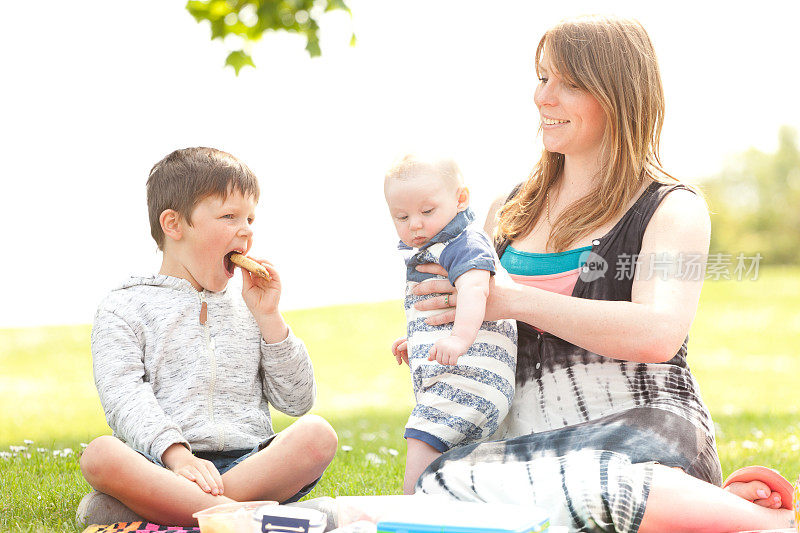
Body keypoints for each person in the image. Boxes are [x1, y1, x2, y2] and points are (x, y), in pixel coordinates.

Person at [396, 15, 795, 532]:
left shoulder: (672, 207)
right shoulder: (507, 210)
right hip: (530, 450)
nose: (543, 97)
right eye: (542, 77)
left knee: (594, 479)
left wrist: (513, 300)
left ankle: (768, 524)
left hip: (643, 432)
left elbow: (659, 333)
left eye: (568, 83)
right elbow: (475, 329)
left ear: (618, 95)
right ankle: (705, 510)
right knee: (437, 482)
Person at [77, 147, 338, 527]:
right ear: (174, 225)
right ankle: (257, 517)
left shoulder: (252, 303)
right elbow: (123, 395)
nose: (246, 229)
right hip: (161, 463)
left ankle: (175, 511)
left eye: (250, 217)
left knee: (318, 434)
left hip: (248, 462)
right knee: (100, 455)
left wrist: (270, 319)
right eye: (229, 216)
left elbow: (297, 402)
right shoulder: (124, 306)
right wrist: (177, 455)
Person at [384, 154, 518, 495]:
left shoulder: (464, 242)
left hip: (472, 379)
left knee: (423, 436)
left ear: (460, 199)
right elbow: (444, 306)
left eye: (427, 211)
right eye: (401, 216)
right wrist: (417, 340)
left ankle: (411, 506)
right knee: (457, 465)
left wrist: (458, 339)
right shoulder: (437, 245)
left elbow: (475, 290)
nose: (414, 224)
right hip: (469, 378)